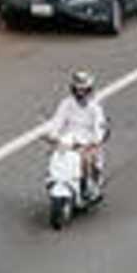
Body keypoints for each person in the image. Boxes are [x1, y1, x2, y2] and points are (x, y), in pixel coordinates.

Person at [43, 70, 108, 200]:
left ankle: (87, 187)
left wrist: (95, 142)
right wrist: (51, 135)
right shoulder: (66, 104)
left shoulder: (95, 108)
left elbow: (99, 128)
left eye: (83, 90)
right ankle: (54, 179)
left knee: (84, 159)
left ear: (89, 90)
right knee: (54, 155)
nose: (80, 93)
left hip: (87, 144)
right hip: (68, 141)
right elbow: (57, 121)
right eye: (77, 89)